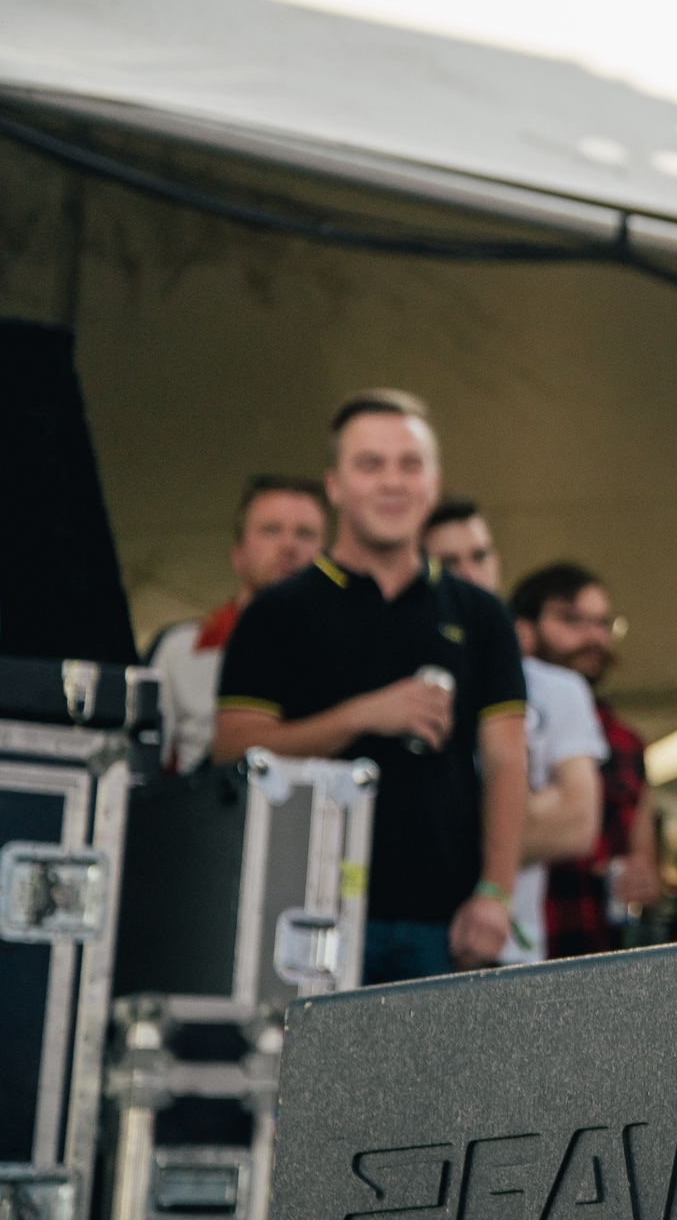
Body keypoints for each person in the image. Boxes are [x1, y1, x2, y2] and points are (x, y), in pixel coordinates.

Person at [214, 391, 527, 985]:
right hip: (299, 917)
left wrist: (495, 893)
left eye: (409, 465)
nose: (393, 482)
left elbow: (508, 760)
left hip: (443, 925)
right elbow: (233, 752)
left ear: (433, 485)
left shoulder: (483, 614)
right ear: (334, 485)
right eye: (370, 464)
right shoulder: (277, 611)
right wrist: (362, 716)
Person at [422, 505, 607, 966]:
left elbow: (579, 824)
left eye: (480, 555)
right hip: (409, 944)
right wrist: (527, 810)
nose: (469, 573)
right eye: (448, 562)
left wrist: (437, 835)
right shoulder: (399, 683)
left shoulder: (560, 689)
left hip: (512, 953)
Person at [505, 560, 661, 957]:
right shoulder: (498, 726)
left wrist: (645, 879)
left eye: (604, 623)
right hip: (506, 955)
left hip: (599, 956)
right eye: (573, 620)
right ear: (523, 630)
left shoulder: (628, 742)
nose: (594, 637)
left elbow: (643, 856)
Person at [144, 475, 327, 773]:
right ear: (237, 553)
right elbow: (143, 771)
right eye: (271, 530)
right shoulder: (180, 647)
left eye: (305, 534)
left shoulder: (347, 647)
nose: (288, 546)